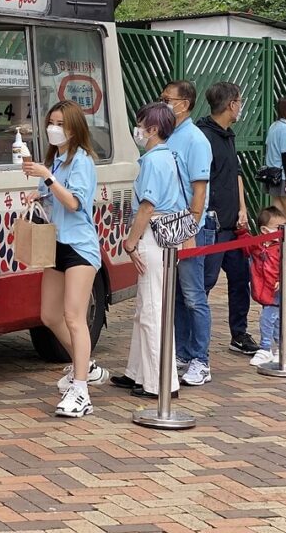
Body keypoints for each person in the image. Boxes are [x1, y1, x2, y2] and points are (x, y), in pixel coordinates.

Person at [23, 100, 108, 417]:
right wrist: (41, 192)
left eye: (60, 123)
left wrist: (47, 179)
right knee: (49, 315)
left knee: (74, 316)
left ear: (73, 129)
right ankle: (85, 364)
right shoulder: (55, 160)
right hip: (55, 244)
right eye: (51, 121)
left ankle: (81, 389)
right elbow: (55, 199)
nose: (53, 128)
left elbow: (74, 203)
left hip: (80, 248)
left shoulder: (82, 161)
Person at [111, 102, 181, 399]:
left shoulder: (153, 161)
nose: (138, 131)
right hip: (167, 236)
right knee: (147, 307)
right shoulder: (167, 157)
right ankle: (138, 372)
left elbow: (147, 205)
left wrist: (130, 240)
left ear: (152, 129)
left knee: (152, 309)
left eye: (142, 125)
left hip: (153, 235)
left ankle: (158, 382)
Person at [197, 82, 258, 356]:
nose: (240, 108)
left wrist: (243, 208)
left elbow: (236, 174)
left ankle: (239, 333)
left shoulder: (229, 135)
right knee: (204, 283)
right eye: (240, 102)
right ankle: (193, 341)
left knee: (240, 278)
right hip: (212, 226)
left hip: (233, 225)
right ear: (232, 104)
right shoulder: (203, 137)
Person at [159, 80, 213, 386]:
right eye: (163, 98)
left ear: (186, 103)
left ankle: (200, 360)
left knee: (194, 296)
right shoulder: (166, 135)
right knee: (176, 295)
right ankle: (181, 351)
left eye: (169, 99)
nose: (165, 103)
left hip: (190, 228)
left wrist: (192, 226)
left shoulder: (195, 140)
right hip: (167, 227)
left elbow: (199, 189)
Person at [246, 206, 286, 367]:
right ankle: (284, 349)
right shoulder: (258, 245)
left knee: (267, 319)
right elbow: (246, 246)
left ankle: (265, 348)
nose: (282, 231)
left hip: (278, 292)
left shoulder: (285, 248)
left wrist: (283, 281)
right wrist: (242, 232)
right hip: (265, 290)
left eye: (284, 227)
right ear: (264, 230)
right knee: (276, 323)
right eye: (278, 228)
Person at [265, 97, 286, 222]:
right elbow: (285, 156)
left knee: (277, 213)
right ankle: (283, 239)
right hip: (284, 176)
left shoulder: (273, 126)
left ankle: (272, 237)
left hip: (273, 174)